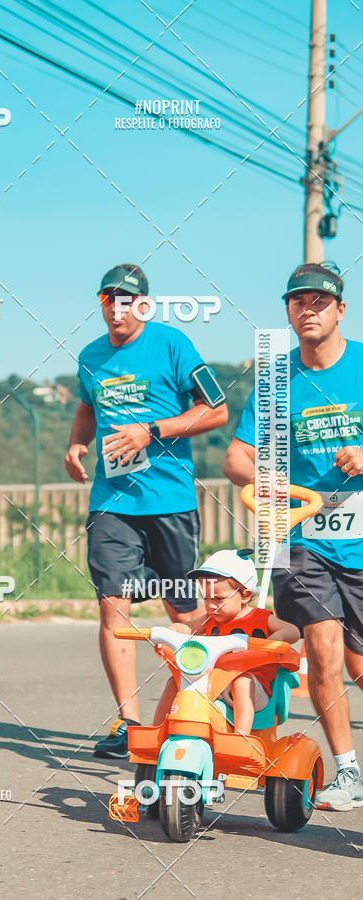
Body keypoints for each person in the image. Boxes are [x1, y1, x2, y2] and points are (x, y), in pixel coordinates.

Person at [65, 263, 228, 758]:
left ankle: (198, 701)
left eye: (127, 298)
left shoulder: (172, 344)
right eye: (107, 298)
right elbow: (87, 406)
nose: (116, 307)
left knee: (185, 610)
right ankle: (129, 724)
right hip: (112, 503)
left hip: (169, 502)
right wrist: (75, 444)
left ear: (144, 304)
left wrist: (151, 430)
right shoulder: (91, 356)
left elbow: (216, 409)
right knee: (114, 605)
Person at [223, 261, 363, 810]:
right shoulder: (278, 380)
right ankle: (348, 772)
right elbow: (237, 455)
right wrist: (267, 478)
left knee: (358, 663)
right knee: (323, 647)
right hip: (300, 535)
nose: (307, 310)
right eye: (296, 301)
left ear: (340, 310)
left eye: (318, 301)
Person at [152, 549, 300, 735]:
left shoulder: (261, 618)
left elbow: (293, 631)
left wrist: (277, 638)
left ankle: (241, 738)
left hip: (255, 689)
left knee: (242, 680)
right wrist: (169, 633)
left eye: (219, 599)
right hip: (213, 681)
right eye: (205, 598)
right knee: (174, 682)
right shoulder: (209, 619)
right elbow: (186, 628)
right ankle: (157, 732)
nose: (210, 605)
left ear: (245, 595)